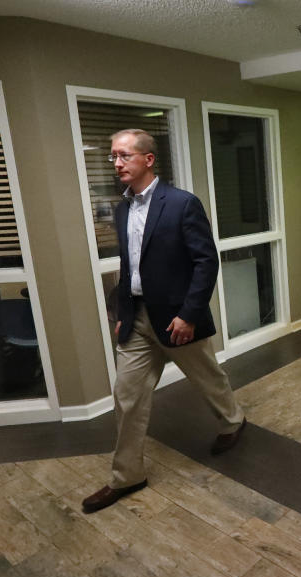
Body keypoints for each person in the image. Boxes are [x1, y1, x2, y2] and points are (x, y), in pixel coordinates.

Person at [82, 129, 245, 514]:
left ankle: (233, 420)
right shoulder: (122, 209)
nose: (116, 163)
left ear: (148, 159)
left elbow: (206, 262)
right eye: (113, 157)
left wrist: (189, 314)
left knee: (207, 377)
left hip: (176, 319)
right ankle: (127, 476)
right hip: (137, 318)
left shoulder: (182, 204)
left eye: (124, 156)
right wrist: (122, 314)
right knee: (127, 396)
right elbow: (130, 267)